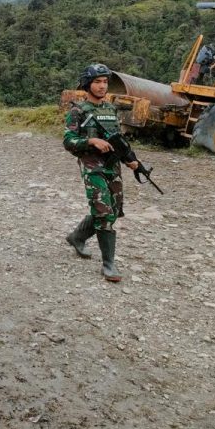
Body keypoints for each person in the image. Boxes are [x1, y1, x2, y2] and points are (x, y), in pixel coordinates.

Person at [63, 63, 138, 282]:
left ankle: (78, 237)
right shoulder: (77, 111)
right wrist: (91, 141)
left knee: (113, 210)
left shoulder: (111, 109)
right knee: (104, 213)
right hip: (92, 166)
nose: (102, 86)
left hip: (112, 166)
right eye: (97, 82)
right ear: (88, 84)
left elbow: (118, 141)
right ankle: (109, 265)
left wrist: (131, 161)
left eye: (105, 82)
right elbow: (68, 141)